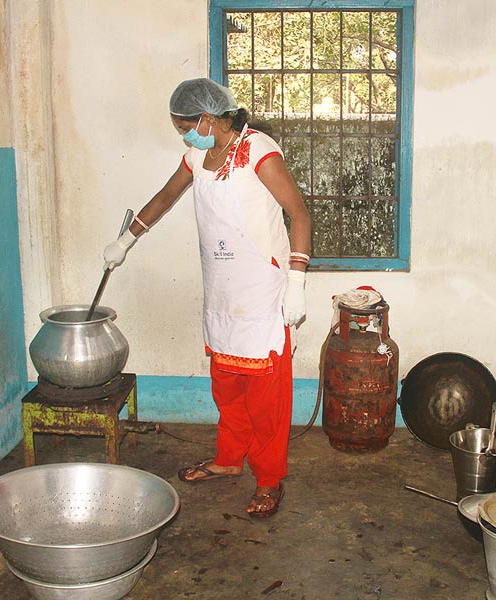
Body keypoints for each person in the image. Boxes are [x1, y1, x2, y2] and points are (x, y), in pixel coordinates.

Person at [103, 78, 311, 519]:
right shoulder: (198, 156)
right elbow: (165, 197)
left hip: (262, 292)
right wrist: (126, 240)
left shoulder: (260, 151)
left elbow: (300, 214)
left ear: (210, 118)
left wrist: (297, 281)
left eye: (187, 126)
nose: (184, 135)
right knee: (228, 387)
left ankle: (270, 479)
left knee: (266, 397)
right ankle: (228, 460)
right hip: (221, 291)